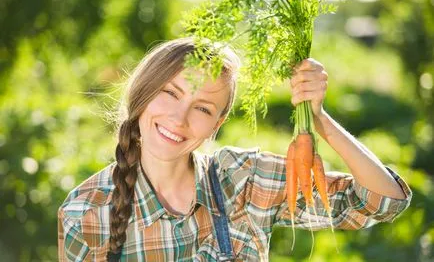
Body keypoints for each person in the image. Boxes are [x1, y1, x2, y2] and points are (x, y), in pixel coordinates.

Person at [57, 37, 412, 261]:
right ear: (142, 95)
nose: (180, 118)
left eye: (203, 108)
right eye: (170, 93)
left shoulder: (244, 180)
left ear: (217, 124)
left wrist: (319, 119)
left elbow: (382, 201)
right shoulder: (84, 213)